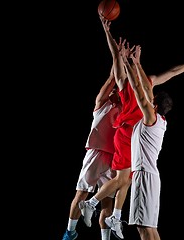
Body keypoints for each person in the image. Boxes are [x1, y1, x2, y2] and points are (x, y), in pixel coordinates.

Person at [79, 16, 184, 240]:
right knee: (124, 179)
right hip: (128, 132)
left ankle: (109, 212)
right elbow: (117, 61)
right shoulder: (129, 85)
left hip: (137, 134)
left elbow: (174, 71)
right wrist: (111, 38)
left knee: (126, 179)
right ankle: (98, 206)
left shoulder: (149, 82)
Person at [62, 64, 122, 240]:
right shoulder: (102, 102)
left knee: (107, 202)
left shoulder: (126, 107)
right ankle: (70, 232)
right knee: (81, 194)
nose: (114, 91)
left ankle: (105, 238)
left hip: (114, 157)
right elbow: (112, 78)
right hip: (96, 153)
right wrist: (118, 58)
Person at [122, 44, 172, 240]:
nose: (149, 100)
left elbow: (138, 88)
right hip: (151, 176)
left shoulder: (151, 119)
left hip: (144, 175)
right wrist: (136, 63)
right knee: (150, 228)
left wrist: (131, 63)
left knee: (144, 228)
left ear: (155, 105)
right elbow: (144, 89)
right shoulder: (161, 121)